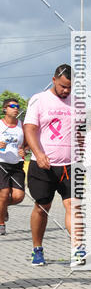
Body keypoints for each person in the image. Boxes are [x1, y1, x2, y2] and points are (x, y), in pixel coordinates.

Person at [23, 65, 84, 266]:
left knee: (73, 205)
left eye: (70, 87)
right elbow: (30, 129)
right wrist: (38, 154)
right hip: (43, 165)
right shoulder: (39, 99)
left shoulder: (78, 103)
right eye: (63, 86)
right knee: (42, 207)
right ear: (54, 80)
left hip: (71, 165)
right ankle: (37, 249)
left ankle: (77, 249)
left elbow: (80, 132)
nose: (66, 91)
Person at [0, 98, 27, 235]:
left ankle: (2, 208)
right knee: (4, 194)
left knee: (18, 196)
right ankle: (1, 224)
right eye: (12, 106)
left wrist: (25, 150)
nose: (16, 108)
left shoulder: (22, 125)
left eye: (17, 106)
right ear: (5, 109)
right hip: (1, 163)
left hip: (17, 164)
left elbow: (28, 143)